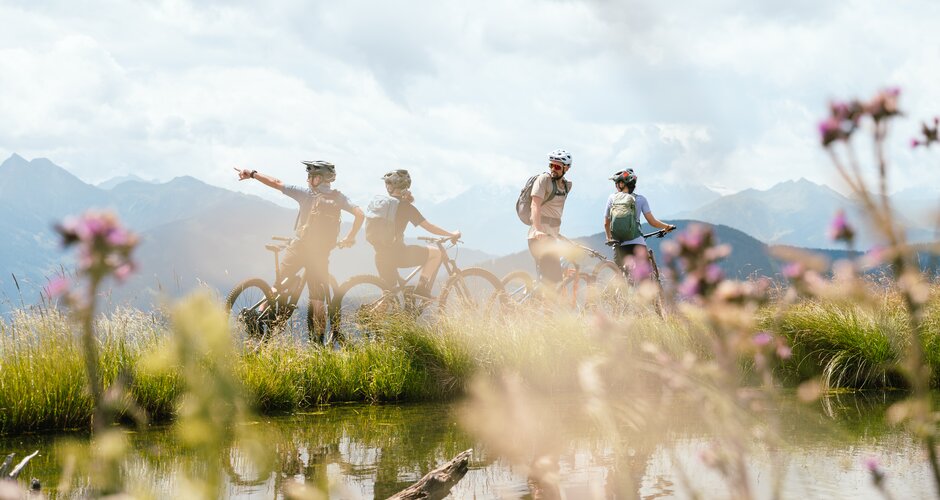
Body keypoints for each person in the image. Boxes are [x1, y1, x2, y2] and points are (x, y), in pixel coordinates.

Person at [234, 161, 364, 339]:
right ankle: (319, 343)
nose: (308, 179)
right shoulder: (339, 198)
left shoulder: (306, 194)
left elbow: (276, 182)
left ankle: (258, 314)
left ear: (318, 178)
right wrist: (350, 237)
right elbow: (360, 214)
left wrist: (253, 174)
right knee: (317, 300)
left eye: (311, 176)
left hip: (298, 246)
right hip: (319, 254)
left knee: (277, 286)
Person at [373, 169, 460, 297]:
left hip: (381, 256)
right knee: (436, 253)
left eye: (388, 183)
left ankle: (367, 317)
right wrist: (451, 235)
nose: (387, 186)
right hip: (398, 255)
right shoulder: (406, 207)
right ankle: (421, 289)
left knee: (387, 299)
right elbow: (429, 227)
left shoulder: (382, 204)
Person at [604, 168, 675, 278]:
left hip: (619, 244)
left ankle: (617, 293)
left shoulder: (612, 198)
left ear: (622, 184)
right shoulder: (641, 199)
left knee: (620, 278)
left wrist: (609, 238)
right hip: (637, 243)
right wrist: (667, 226)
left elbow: (606, 223)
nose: (616, 186)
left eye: (617, 183)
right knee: (645, 278)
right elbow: (652, 222)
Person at [528, 149, 573, 284]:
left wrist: (559, 235)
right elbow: (535, 205)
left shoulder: (567, 186)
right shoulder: (544, 180)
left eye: (557, 166)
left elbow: (554, 213)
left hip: (552, 236)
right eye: (551, 165)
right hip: (538, 237)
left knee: (550, 278)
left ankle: (535, 299)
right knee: (555, 280)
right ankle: (545, 303)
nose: (553, 169)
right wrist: (537, 229)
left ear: (566, 168)